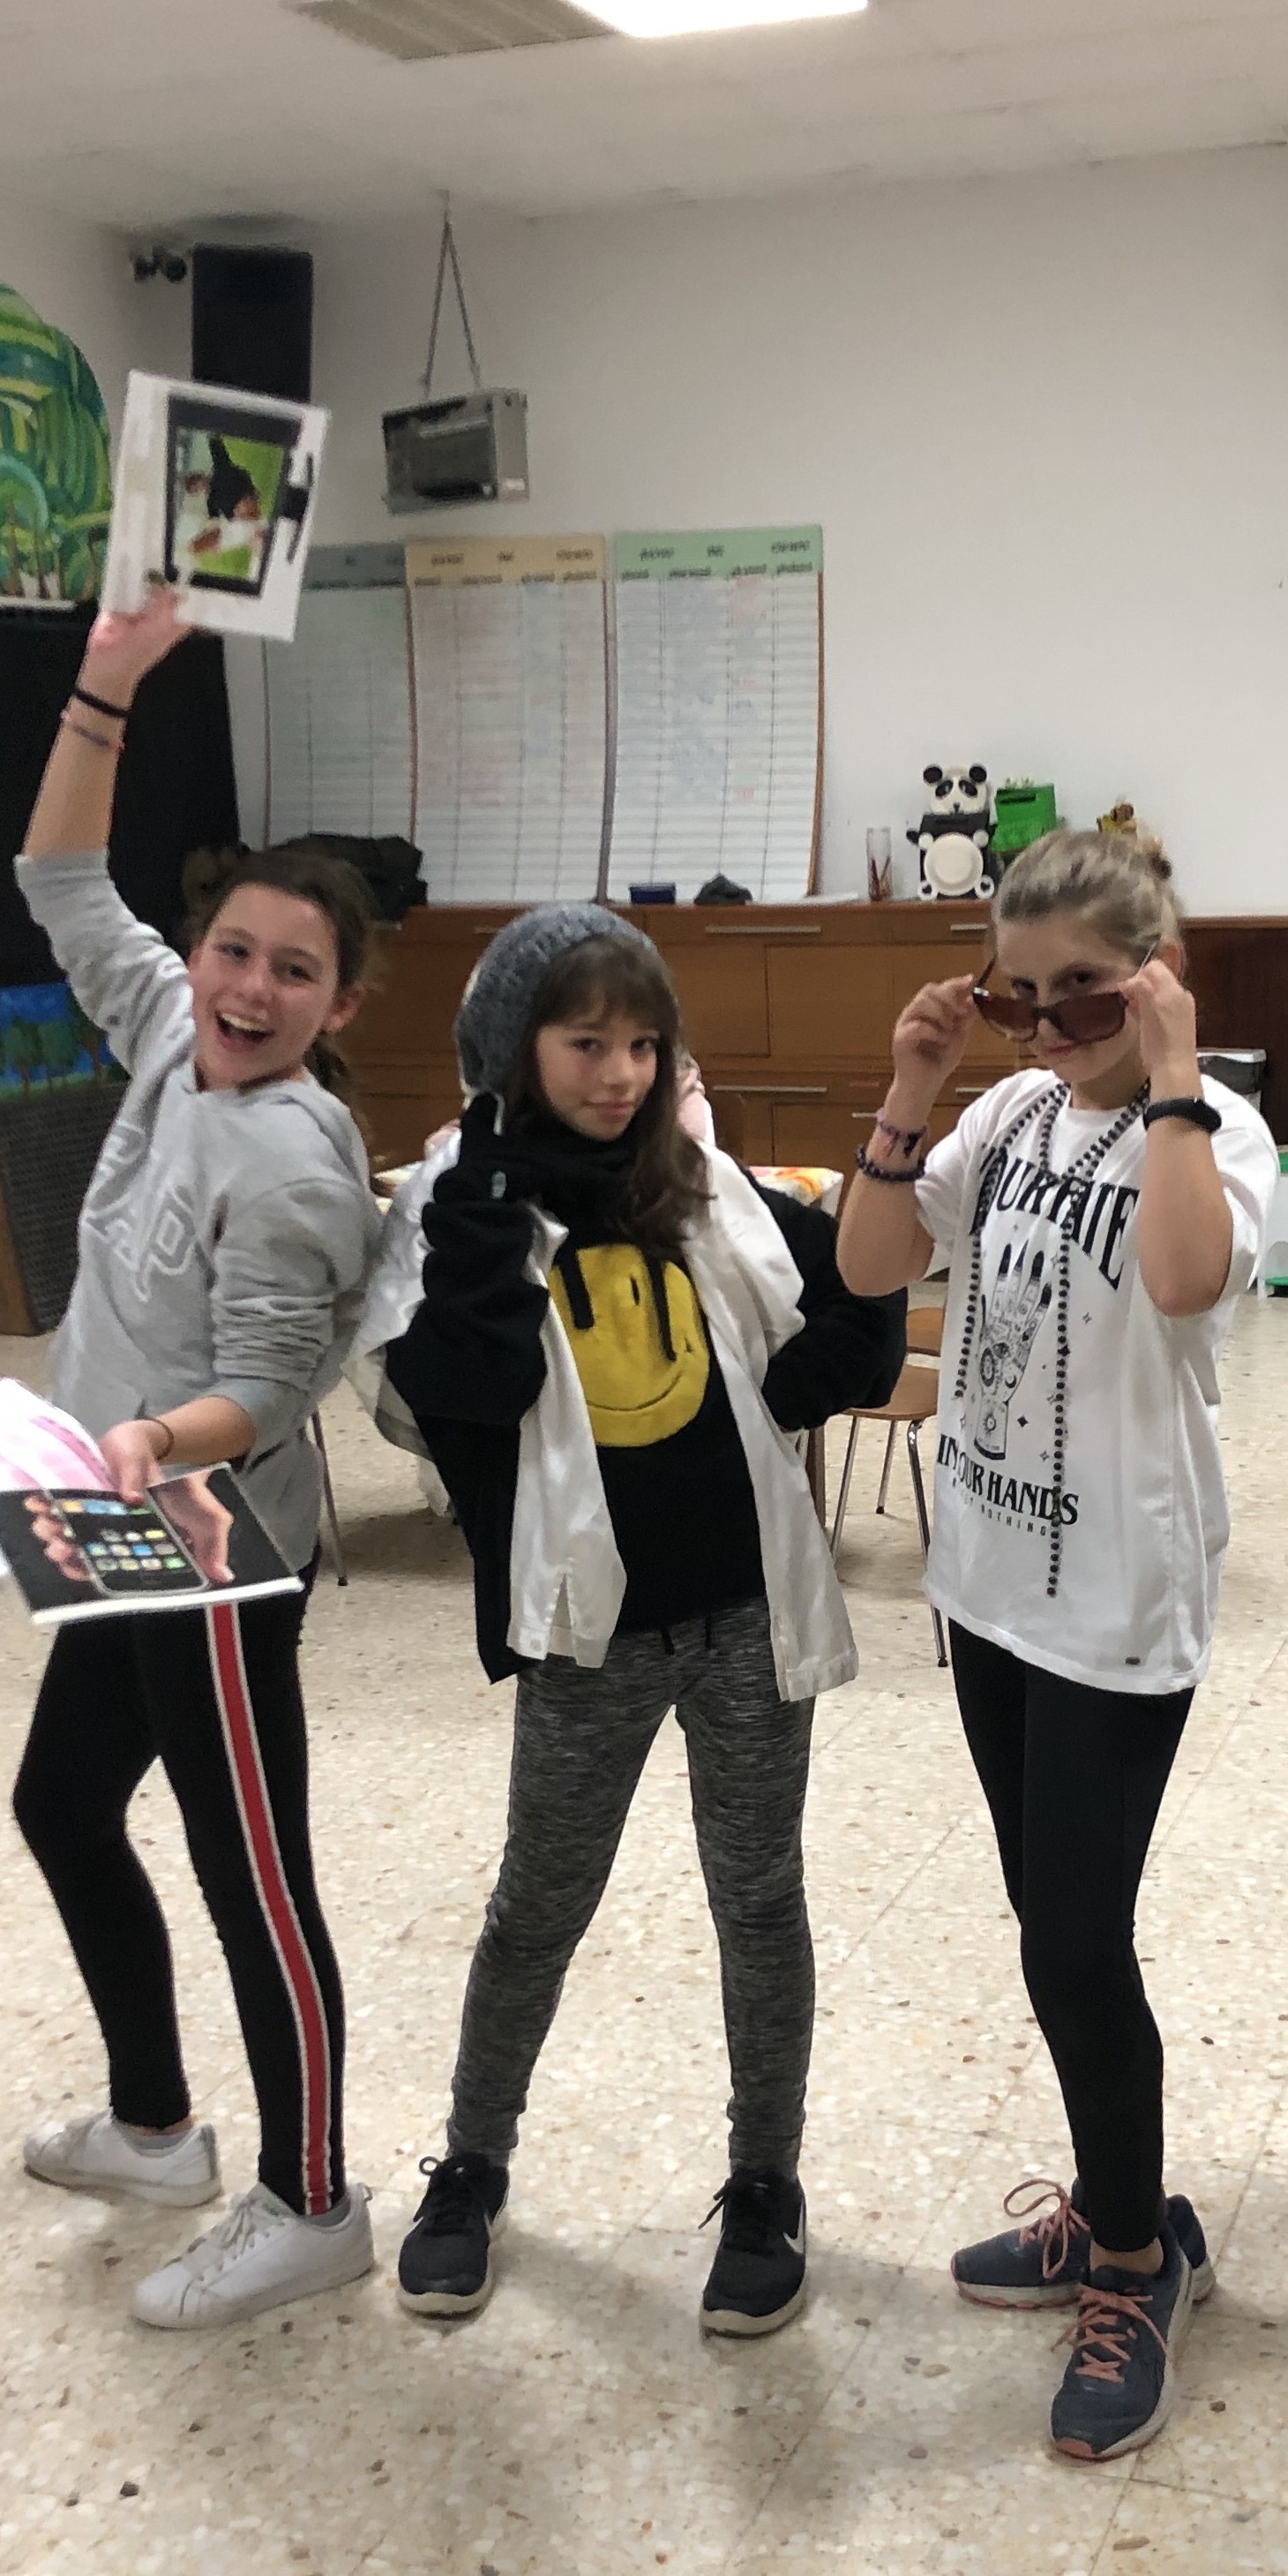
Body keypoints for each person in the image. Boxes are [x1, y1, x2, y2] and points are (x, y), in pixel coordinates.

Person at [366, 902, 902, 2339]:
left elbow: (863, 1289)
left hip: (743, 1618)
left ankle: (765, 2179)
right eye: (584, 1042)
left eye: (643, 1044)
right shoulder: (460, 1208)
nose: (619, 1074)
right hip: (587, 1632)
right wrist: (483, 1206)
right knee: (537, 1903)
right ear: (513, 1050)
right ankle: (471, 2164)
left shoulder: (706, 1185)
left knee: (759, 1902)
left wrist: (795, 1389)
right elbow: (453, 1397)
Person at [834, 828, 1278, 2463]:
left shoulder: (1216, 1128)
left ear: (1157, 977)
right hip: (990, 1583)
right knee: (1048, 1925)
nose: (1043, 1024)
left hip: (1115, 1598)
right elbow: (871, 1265)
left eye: (1081, 990)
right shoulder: (1007, 1114)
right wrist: (912, 1085)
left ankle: (1136, 2263)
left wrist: (1166, 1076)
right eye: (1016, 993)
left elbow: (1184, 1279)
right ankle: (1114, 2191)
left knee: (1076, 1947)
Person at [0, 598, 388, 2333]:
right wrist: (107, 683)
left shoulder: (295, 1158)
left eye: (293, 971)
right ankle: (157, 2127)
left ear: (337, 1002)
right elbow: (59, 878)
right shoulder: (168, 1023)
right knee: (60, 1803)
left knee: (254, 1875)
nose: (248, 986)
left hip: (210, 1532)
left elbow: (271, 1389)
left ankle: (312, 2198)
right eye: (234, 948)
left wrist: (160, 1438)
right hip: (101, 1499)